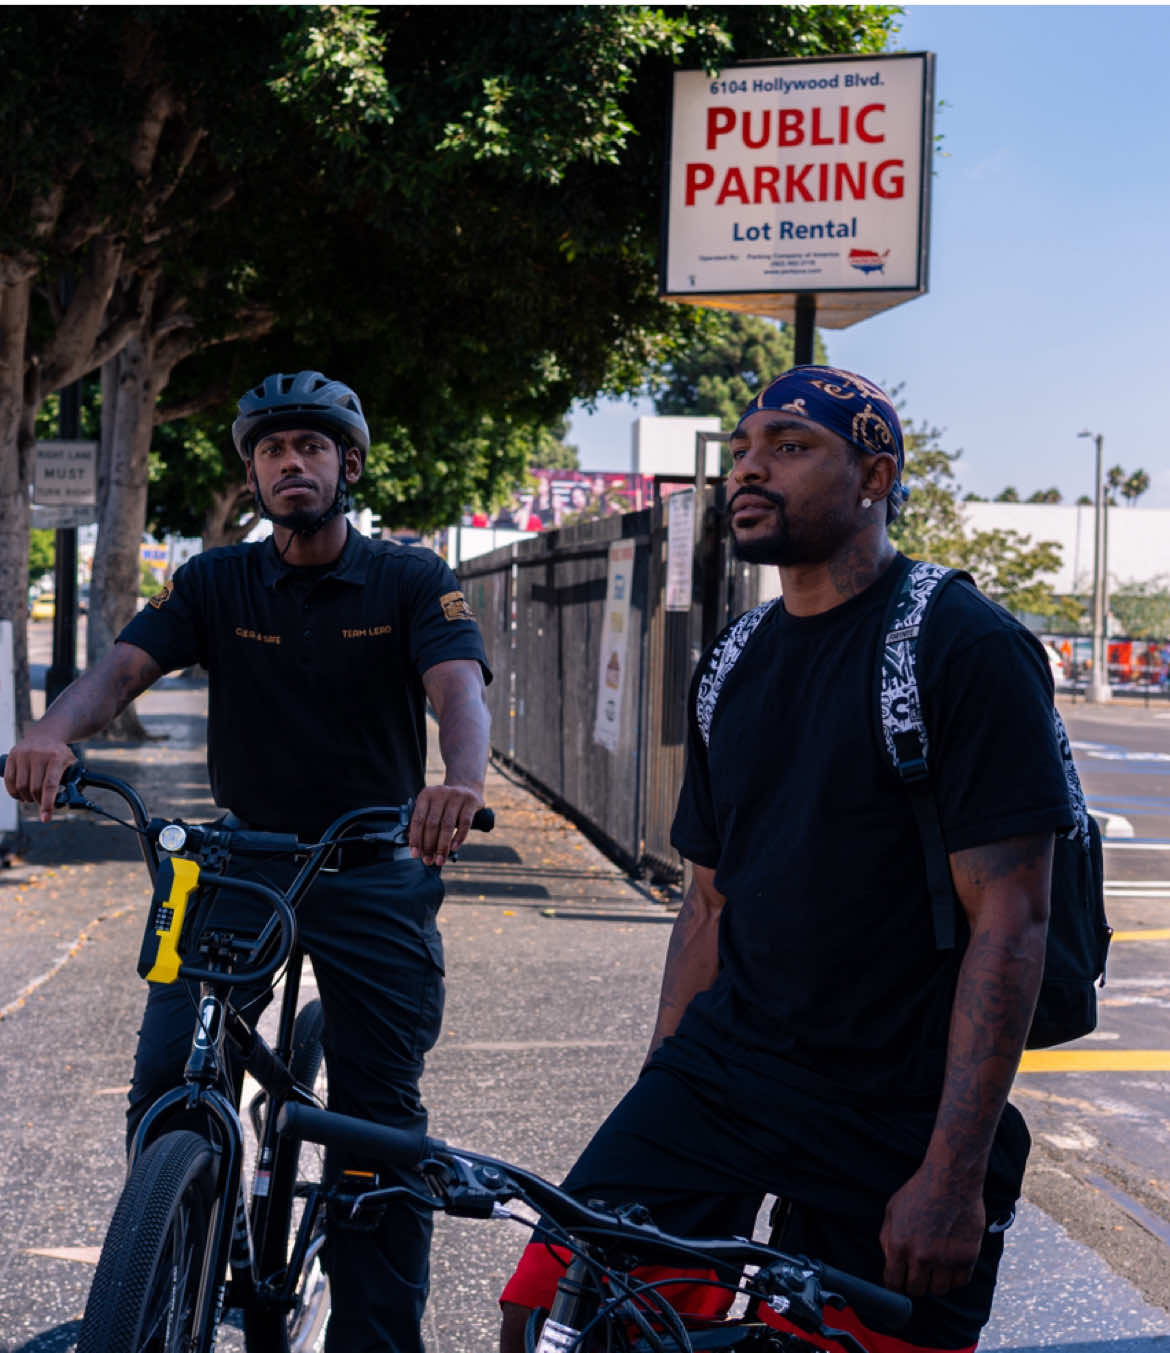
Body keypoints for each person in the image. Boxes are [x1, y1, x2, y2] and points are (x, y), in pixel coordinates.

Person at [499, 366, 1072, 1353]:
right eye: (745, 448)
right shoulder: (735, 658)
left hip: (894, 1105)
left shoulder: (960, 645)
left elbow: (1012, 923)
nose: (751, 468)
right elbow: (709, 905)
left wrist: (953, 1172)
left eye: (792, 446)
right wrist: (659, 1090)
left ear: (875, 476)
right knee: (558, 1307)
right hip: (725, 1073)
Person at [4, 370, 492, 1353]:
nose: (291, 464)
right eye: (272, 451)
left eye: (311, 448)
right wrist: (51, 731)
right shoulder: (217, 580)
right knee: (166, 1083)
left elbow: (458, 693)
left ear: (346, 465)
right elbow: (122, 669)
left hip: (372, 860)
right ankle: (187, 1236)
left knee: (375, 1128)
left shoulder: (408, 577)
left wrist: (461, 782)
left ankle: (373, 1340)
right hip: (240, 856)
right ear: (255, 473)